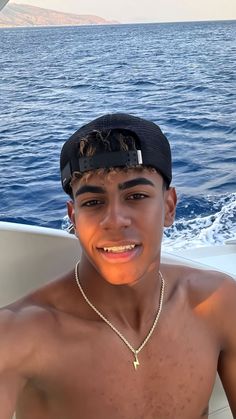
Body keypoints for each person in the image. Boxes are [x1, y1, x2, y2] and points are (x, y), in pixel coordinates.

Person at [0, 113, 236, 419]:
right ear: (73, 218)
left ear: (169, 207)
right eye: (93, 202)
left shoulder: (219, 304)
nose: (114, 220)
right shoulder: (18, 336)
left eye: (136, 196)